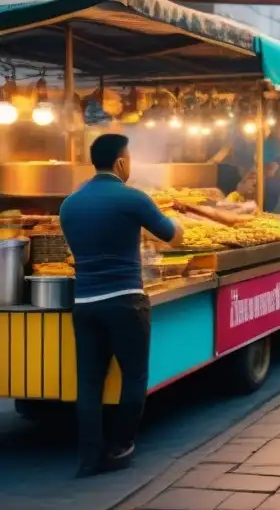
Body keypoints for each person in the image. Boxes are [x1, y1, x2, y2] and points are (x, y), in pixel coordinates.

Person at [59, 134, 185, 478]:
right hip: (125, 300)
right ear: (120, 162)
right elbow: (172, 235)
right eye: (129, 157)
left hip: (84, 302)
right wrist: (181, 225)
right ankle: (121, 446)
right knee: (134, 375)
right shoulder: (132, 198)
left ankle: (88, 458)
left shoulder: (69, 204)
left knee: (89, 382)